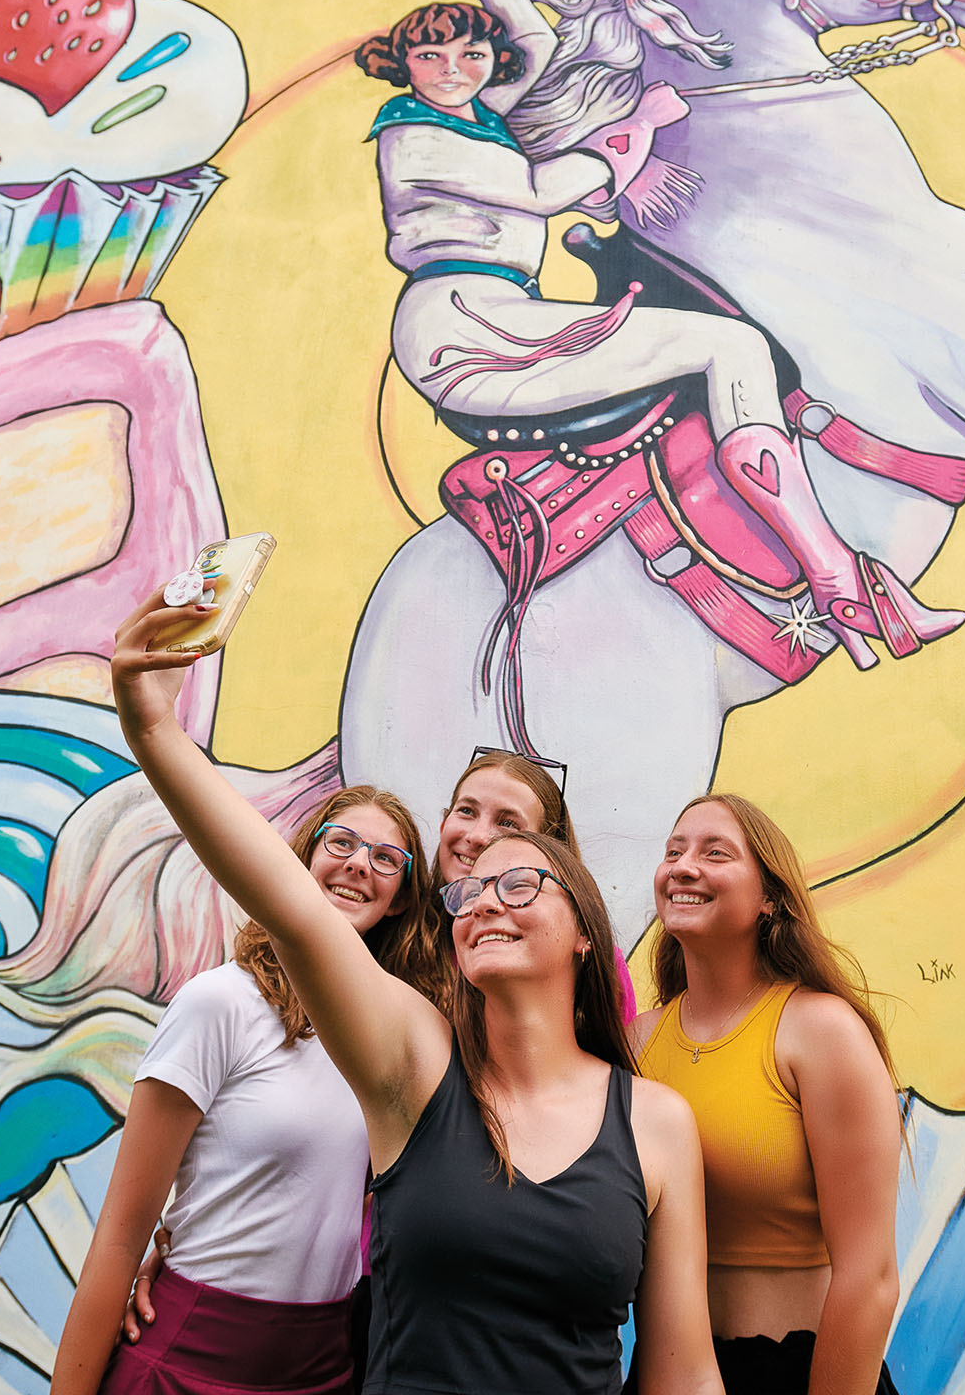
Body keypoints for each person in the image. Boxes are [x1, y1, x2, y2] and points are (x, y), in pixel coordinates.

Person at [111, 594, 724, 1395]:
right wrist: (155, 733)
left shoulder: (657, 1124)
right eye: (468, 894)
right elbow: (291, 908)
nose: (485, 897)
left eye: (519, 878)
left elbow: (684, 1370)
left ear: (584, 930)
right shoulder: (415, 1067)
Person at [358, 0, 959, 670]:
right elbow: (542, 192)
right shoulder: (413, 137)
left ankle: (831, 578)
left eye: (471, 53)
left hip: (502, 311)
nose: (453, 68)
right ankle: (838, 578)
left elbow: (540, 49)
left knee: (726, 338)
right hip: (463, 327)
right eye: (431, 55)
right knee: (730, 347)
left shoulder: (480, 116)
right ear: (402, 62)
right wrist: (634, 133)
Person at [52, 786, 437, 1395]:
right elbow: (123, 1234)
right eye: (341, 842)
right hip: (192, 1359)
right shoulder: (220, 1003)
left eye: (387, 858)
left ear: (399, 901)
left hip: (323, 1368)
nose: (360, 863)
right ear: (297, 862)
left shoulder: (402, 1043)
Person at [634, 794, 903, 1395]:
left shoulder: (820, 1030)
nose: (682, 865)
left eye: (715, 853)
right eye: (673, 851)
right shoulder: (634, 1043)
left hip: (801, 1375)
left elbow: (871, 1274)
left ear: (769, 900)